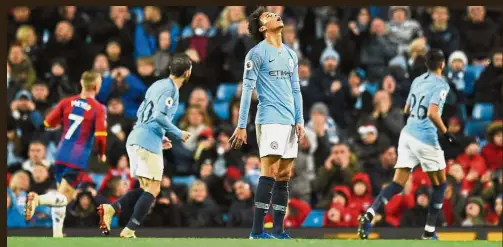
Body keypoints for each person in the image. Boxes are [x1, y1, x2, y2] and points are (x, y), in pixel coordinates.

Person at [358, 49, 459, 240]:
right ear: (442, 65)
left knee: (397, 183)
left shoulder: (417, 81)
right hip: (426, 137)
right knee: (441, 185)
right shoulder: (441, 85)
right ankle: (429, 231)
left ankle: (370, 213)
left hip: (407, 135)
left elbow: (406, 109)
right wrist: (447, 134)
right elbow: (432, 113)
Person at [228, 6, 305, 239]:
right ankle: (257, 231)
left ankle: (280, 230)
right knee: (269, 172)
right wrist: (242, 125)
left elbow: (296, 90)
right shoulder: (256, 54)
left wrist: (300, 120)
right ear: (263, 28)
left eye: (274, 13)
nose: (275, 15)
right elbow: (247, 90)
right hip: (269, 119)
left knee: (284, 175)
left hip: (290, 121)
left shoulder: (291, 54)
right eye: (268, 16)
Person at [97, 53, 192, 238]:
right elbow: (158, 116)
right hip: (147, 140)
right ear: (187, 73)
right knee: (154, 189)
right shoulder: (171, 90)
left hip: (136, 137)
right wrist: (178, 133)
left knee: (145, 187)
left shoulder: (157, 85)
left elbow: (143, 112)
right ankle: (129, 229)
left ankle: (111, 208)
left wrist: (161, 137)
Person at [24, 71, 108, 238]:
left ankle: (57, 234)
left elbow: (48, 122)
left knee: (61, 195)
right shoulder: (98, 108)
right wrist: (102, 153)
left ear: (82, 84)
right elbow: (100, 135)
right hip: (77, 158)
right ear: (97, 86)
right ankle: (38, 200)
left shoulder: (66, 102)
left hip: (61, 154)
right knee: (64, 197)